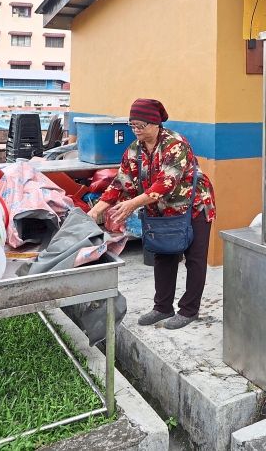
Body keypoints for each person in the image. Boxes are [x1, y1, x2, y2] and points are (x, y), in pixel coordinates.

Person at [89, 99, 216, 330]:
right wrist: (94, 211)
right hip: (160, 209)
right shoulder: (134, 151)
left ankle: (189, 310)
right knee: (163, 255)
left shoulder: (175, 145)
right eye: (132, 125)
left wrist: (131, 204)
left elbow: (165, 183)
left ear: (156, 123)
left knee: (195, 259)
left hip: (194, 206)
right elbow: (120, 183)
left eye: (141, 125)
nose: (136, 130)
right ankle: (162, 307)